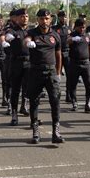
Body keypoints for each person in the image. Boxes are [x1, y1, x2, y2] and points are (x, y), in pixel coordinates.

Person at [24, 9, 64, 144]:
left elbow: (58, 55)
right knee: (34, 101)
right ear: (38, 20)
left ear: (50, 19)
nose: (44, 21)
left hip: (51, 72)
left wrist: (58, 73)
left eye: (47, 18)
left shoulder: (55, 35)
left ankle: (56, 132)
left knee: (55, 101)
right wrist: (28, 42)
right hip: (35, 71)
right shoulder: (32, 33)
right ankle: (35, 131)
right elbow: (26, 39)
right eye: (42, 19)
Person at [2, 8, 30, 125]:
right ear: (17, 18)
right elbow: (6, 35)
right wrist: (7, 38)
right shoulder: (12, 30)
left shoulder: (31, 31)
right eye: (22, 16)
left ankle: (24, 106)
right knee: (15, 89)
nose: (25, 18)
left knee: (27, 88)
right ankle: (14, 113)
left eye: (27, 16)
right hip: (16, 63)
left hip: (29, 62)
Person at [67, 18, 90, 112]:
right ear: (76, 27)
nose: (82, 29)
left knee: (89, 84)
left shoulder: (87, 35)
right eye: (80, 27)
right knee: (73, 85)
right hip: (74, 63)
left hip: (86, 63)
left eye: (83, 27)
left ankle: (88, 103)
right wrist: (73, 39)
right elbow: (67, 41)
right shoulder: (72, 35)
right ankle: (74, 103)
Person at [52, 11, 72, 103]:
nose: (63, 18)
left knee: (69, 75)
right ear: (58, 18)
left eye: (65, 17)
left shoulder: (69, 29)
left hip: (67, 53)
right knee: (56, 74)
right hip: (57, 54)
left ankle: (68, 94)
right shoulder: (55, 29)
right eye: (61, 17)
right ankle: (56, 93)